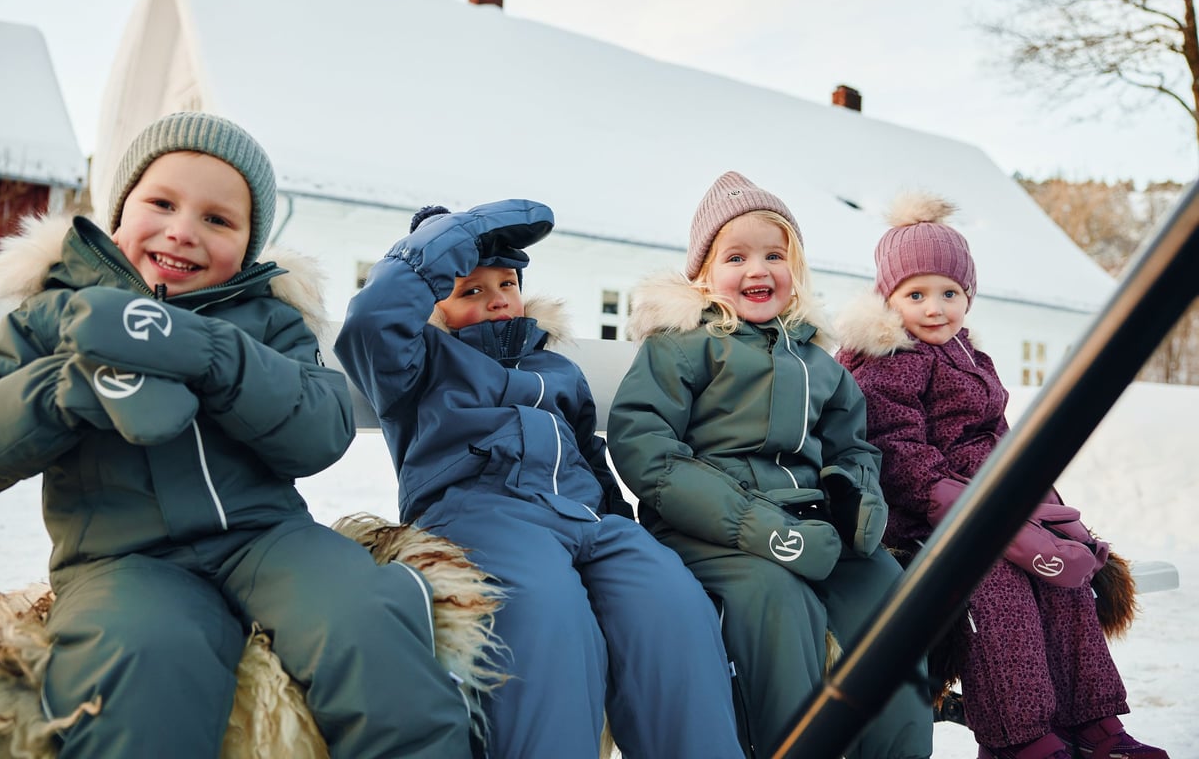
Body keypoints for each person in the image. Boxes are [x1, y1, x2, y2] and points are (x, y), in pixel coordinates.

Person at [0, 111, 474, 758]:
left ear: (249, 243)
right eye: (161, 203)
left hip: (267, 539)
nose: (182, 231)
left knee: (364, 618)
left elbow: (320, 430)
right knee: (142, 660)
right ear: (117, 213)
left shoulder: (267, 318)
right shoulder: (53, 313)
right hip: (120, 560)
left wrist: (217, 356)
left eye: (217, 219)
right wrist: (64, 389)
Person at [333, 200, 743, 759]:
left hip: (586, 519)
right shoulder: (418, 362)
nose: (497, 296)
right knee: (547, 618)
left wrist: (621, 524)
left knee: (672, 604)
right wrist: (457, 234)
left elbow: (587, 453)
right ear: (436, 308)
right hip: (484, 513)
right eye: (470, 290)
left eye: (506, 282)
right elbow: (370, 322)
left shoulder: (555, 367)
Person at [606, 171, 934, 759]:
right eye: (736, 256)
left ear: (795, 268)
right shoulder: (681, 346)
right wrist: (763, 530)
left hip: (812, 524)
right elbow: (646, 453)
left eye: (774, 255)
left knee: (890, 599)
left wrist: (859, 504)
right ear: (704, 272)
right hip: (708, 530)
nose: (758, 270)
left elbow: (853, 447)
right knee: (778, 602)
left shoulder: (816, 359)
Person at [833, 191, 1169, 759]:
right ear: (888, 299)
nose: (935, 308)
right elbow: (905, 464)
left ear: (969, 296)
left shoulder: (969, 355)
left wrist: (1053, 517)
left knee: (1069, 585)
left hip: (996, 502)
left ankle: (1091, 720)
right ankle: (1019, 737)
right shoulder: (886, 362)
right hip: (927, 518)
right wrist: (1003, 529)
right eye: (916, 294)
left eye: (950, 293)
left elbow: (1006, 444)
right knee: (997, 587)